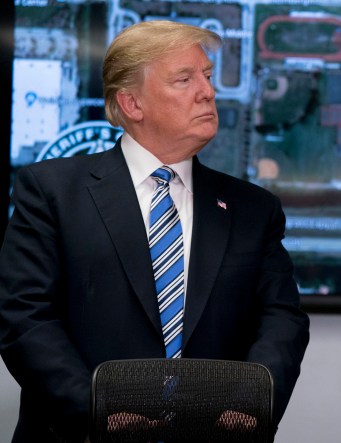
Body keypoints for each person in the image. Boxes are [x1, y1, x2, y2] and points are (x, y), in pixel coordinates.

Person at [0, 20, 309, 442]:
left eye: (207, 76)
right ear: (132, 103)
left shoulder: (254, 209)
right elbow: (24, 317)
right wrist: (95, 410)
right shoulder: (52, 192)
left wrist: (250, 409)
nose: (208, 91)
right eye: (184, 79)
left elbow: (282, 320)